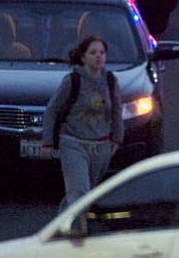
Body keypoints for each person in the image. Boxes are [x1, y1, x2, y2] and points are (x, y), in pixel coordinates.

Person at [41, 35, 123, 211]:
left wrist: (117, 138)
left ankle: (65, 222)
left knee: (90, 194)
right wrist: (47, 142)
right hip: (73, 143)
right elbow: (52, 109)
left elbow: (116, 110)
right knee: (80, 192)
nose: (98, 56)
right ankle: (77, 232)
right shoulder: (72, 81)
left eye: (102, 52)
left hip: (101, 146)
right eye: (93, 52)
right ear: (83, 57)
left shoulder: (110, 81)